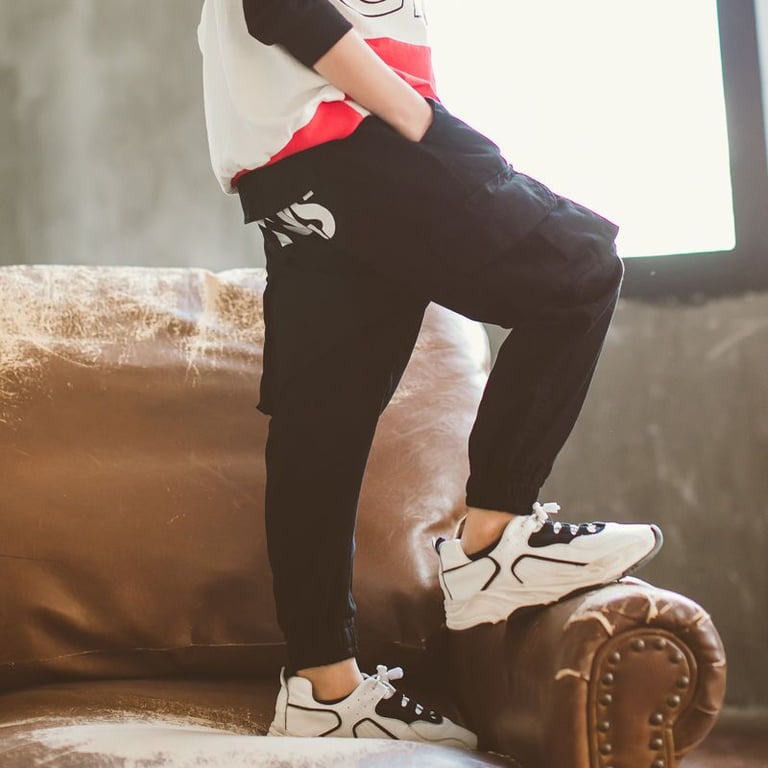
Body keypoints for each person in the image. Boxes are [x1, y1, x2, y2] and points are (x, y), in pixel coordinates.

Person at [196, 0, 664, 749]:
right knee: (578, 269)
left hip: (291, 170)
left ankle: (323, 689)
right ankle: (491, 543)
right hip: (357, 134)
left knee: (322, 422)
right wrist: (417, 119)